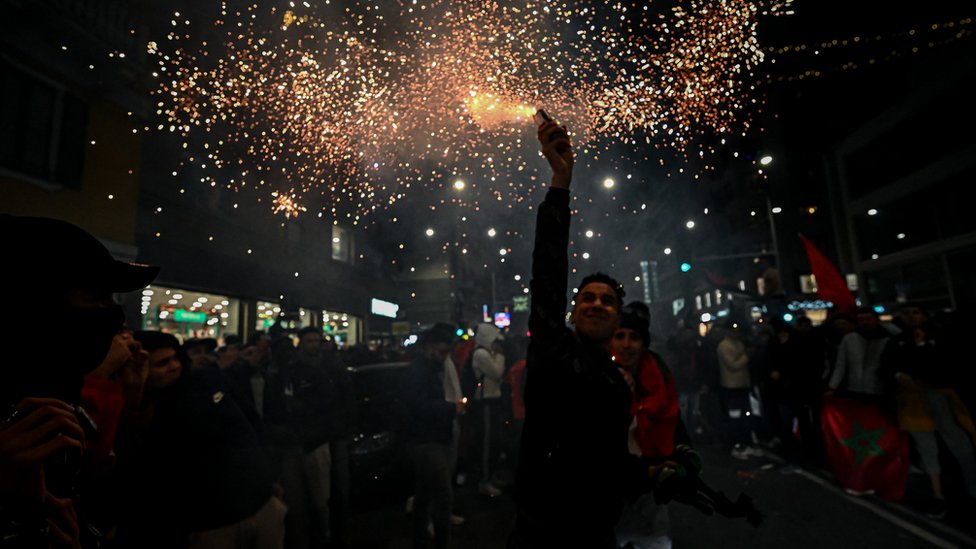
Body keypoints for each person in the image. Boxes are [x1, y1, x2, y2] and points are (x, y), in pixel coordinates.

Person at [508, 116, 665, 548]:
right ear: (572, 311)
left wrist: (654, 471)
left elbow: (606, 459)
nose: (596, 304)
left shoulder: (616, 382)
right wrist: (561, 181)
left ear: (619, 321)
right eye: (587, 299)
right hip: (542, 530)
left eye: (607, 301)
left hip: (597, 530)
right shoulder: (553, 352)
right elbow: (549, 271)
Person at [0, 214, 159, 548]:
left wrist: (128, 400)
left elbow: (101, 491)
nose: (115, 316)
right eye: (97, 296)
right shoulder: (18, 415)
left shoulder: (57, 389)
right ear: (33, 303)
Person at [118, 330, 286, 548]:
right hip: (208, 524)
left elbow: (249, 426)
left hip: (259, 503)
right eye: (162, 363)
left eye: (175, 358)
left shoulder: (205, 382)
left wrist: (270, 476)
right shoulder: (141, 411)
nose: (173, 366)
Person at [612, 302, 698, 549]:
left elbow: (672, 422)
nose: (626, 345)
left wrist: (684, 461)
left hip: (649, 501)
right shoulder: (597, 378)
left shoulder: (658, 378)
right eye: (619, 336)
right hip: (608, 501)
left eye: (634, 337)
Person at [884, 303, 976, 519]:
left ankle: (971, 489)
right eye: (906, 313)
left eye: (916, 312)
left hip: (941, 397)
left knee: (959, 442)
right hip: (914, 402)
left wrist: (923, 346)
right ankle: (938, 496)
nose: (911, 317)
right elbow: (890, 366)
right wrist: (898, 375)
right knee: (926, 448)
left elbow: (947, 364)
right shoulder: (898, 341)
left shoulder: (942, 336)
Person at [402, 323, 467, 549]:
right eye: (441, 352)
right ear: (429, 347)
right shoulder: (418, 371)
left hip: (432, 438)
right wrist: (451, 409)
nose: (443, 356)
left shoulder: (429, 368)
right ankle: (440, 541)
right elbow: (418, 406)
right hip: (426, 441)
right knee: (442, 494)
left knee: (424, 492)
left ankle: (420, 537)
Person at [471, 322, 507, 497]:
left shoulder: (486, 353)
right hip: (485, 402)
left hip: (492, 401)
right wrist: (500, 357)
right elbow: (497, 373)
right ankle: (483, 481)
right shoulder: (481, 354)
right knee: (487, 442)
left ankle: (489, 477)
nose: (497, 344)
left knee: (493, 441)